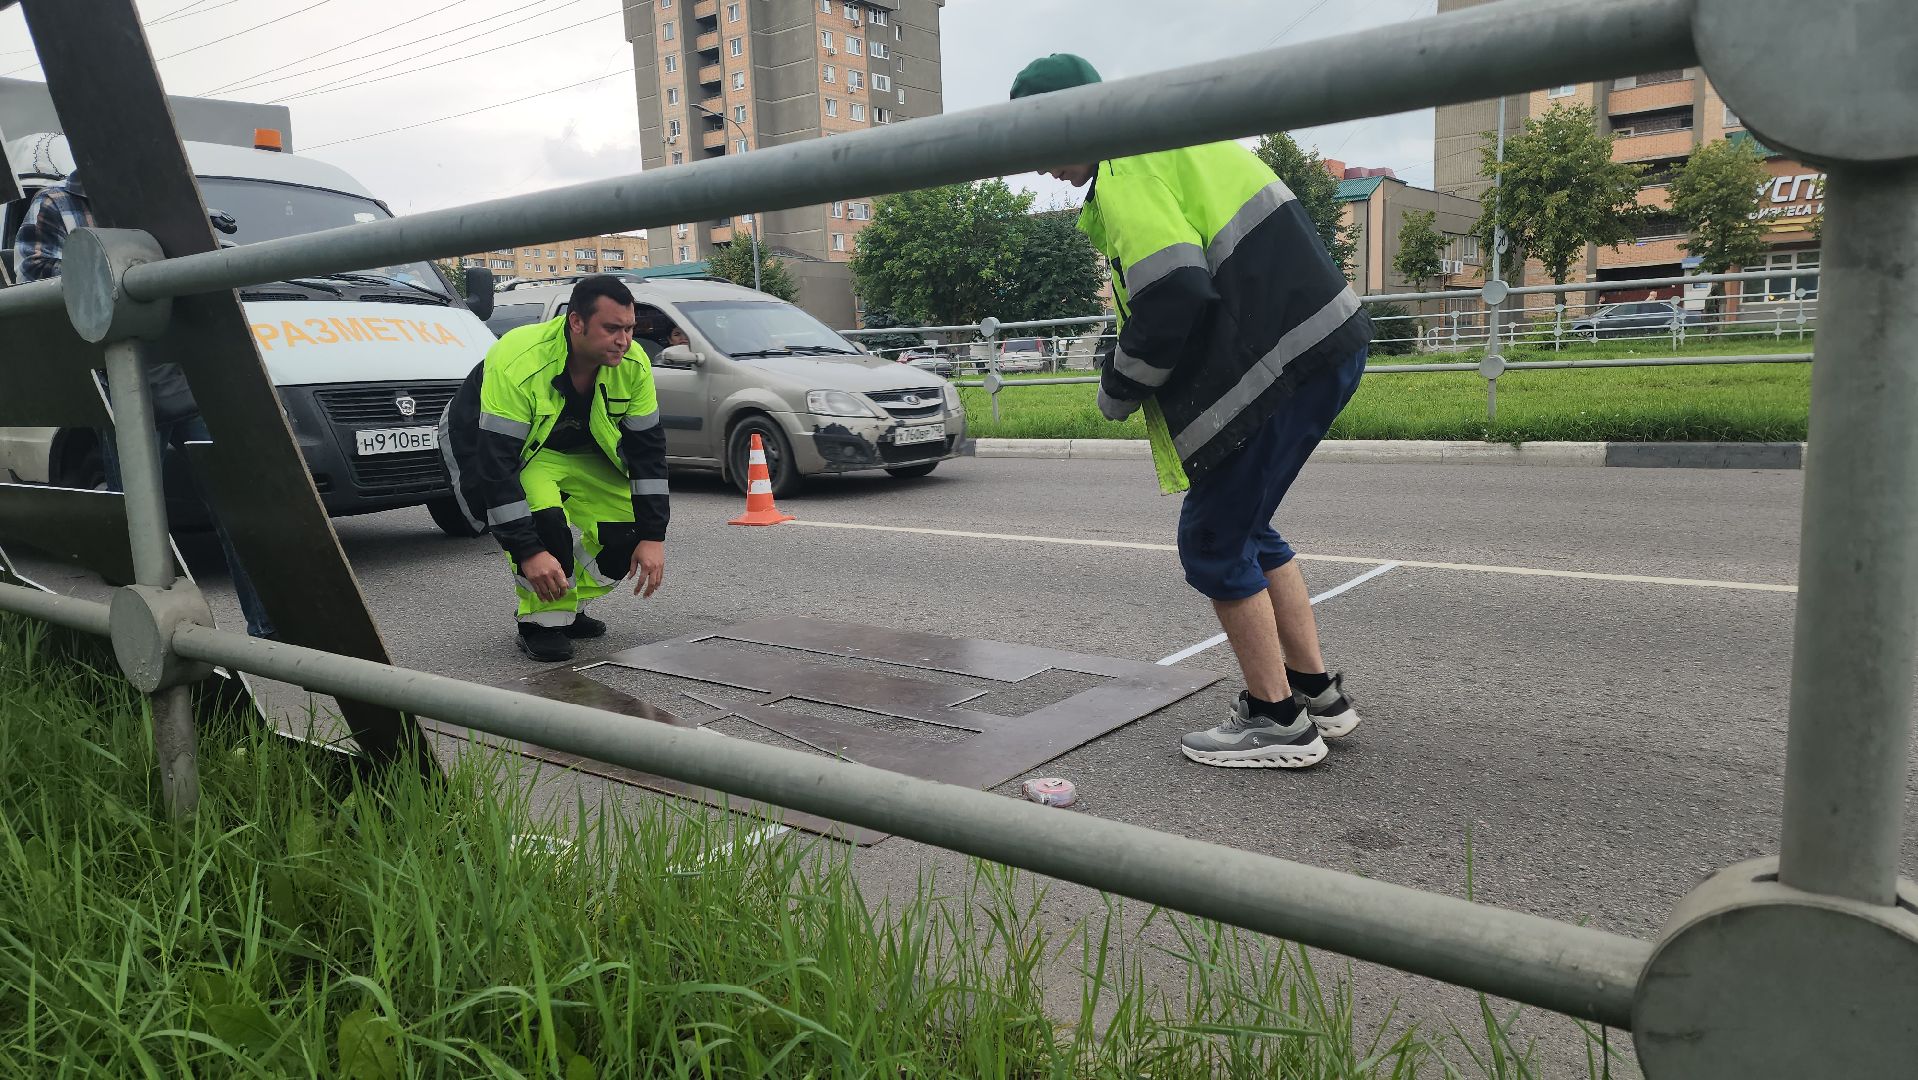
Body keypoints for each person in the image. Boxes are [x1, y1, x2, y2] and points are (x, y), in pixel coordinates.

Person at [1010, 55, 1373, 770]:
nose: (1038, 166)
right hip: (1320, 343)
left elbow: (1174, 290)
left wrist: (1119, 385)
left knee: (1212, 540)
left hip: (1275, 360)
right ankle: (1316, 696)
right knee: (1251, 530)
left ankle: (1277, 723)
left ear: (1072, 119)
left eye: (1035, 142)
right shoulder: (1170, 138)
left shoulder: (1125, 168)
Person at [13, 172, 277, 640]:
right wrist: (112, 276)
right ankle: (158, 638)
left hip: (186, 369)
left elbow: (210, 264)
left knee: (236, 501)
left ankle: (268, 631)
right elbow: (31, 279)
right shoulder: (56, 203)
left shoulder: (159, 194)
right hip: (117, 375)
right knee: (137, 519)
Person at [442, 275, 669, 661]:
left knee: (630, 538)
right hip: (522, 453)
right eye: (612, 328)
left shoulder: (633, 364)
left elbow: (647, 451)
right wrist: (529, 551)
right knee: (546, 532)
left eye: (630, 328)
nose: (625, 341)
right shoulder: (519, 359)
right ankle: (541, 622)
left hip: (584, 452)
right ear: (576, 322)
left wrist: (654, 535)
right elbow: (496, 462)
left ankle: (567, 604)